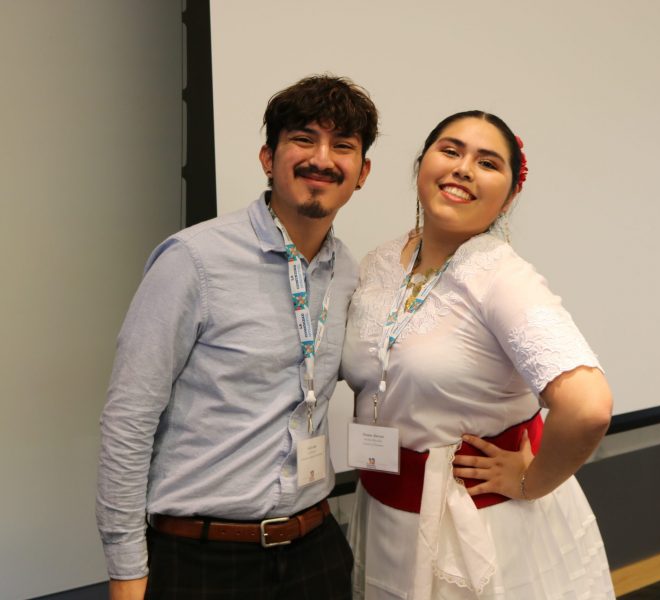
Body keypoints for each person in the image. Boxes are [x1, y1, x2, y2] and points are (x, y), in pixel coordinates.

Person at [96, 74, 378, 600]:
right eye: (302, 139)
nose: (322, 158)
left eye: (342, 146)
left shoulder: (348, 276)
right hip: (203, 559)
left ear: (361, 174)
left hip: (315, 549)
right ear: (267, 159)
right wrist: (127, 572)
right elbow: (128, 421)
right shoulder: (193, 261)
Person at [342, 111, 615, 599]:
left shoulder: (502, 277)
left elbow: (588, 406)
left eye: (487, 162)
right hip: (384, 509)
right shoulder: (381, 262)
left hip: (481, 528)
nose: (463, 168)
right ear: (420, 165)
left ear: (510, 195)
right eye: (450, 151)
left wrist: (531, 481)